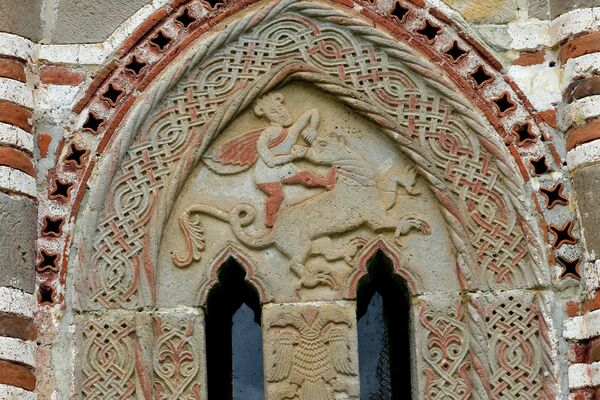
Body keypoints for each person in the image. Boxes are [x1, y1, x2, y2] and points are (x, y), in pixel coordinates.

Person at [207, 92, 336, 227]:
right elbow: (270, 161)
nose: (281, 113)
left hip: (283, 169)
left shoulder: (291, 132)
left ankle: (327, 183)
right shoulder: (266, 136)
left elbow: (312, 112)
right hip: (265, 174)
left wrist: (313, 129)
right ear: (266, 115)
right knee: (278, 195)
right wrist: (293, 156)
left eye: (281, 108)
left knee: (305, 176)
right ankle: (270, 219)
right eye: (274, 112)